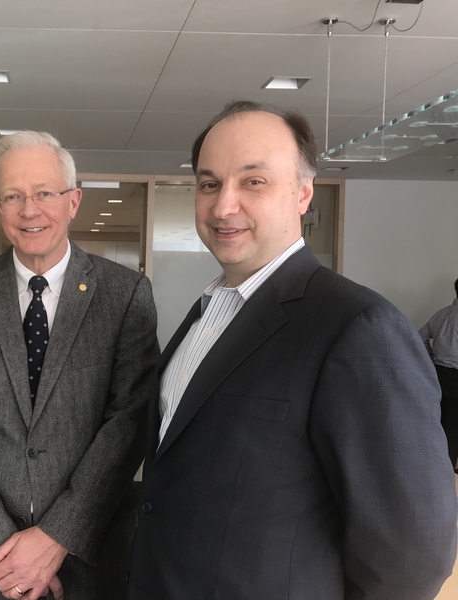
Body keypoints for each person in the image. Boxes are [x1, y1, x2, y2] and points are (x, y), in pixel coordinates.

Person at [128, 101, 458, 599]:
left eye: (253, 181)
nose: (222, 206)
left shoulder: (360, 328)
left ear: (303, 193)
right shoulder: (207, 312)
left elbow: (411, 556)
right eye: (209, 183)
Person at [0, 131, 160, 600]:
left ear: (73, 201)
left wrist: (56, 538)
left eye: (45, 193)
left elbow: (129, 421)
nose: (30, 210)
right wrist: (1, 548)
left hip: (83, 557)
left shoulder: (124, 294)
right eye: (13, 196)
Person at [420, 278, 458, 468]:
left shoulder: (442, 314)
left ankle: (444, 471)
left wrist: (431, 358)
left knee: (444, 426)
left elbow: (420, 338)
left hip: (440, 374)